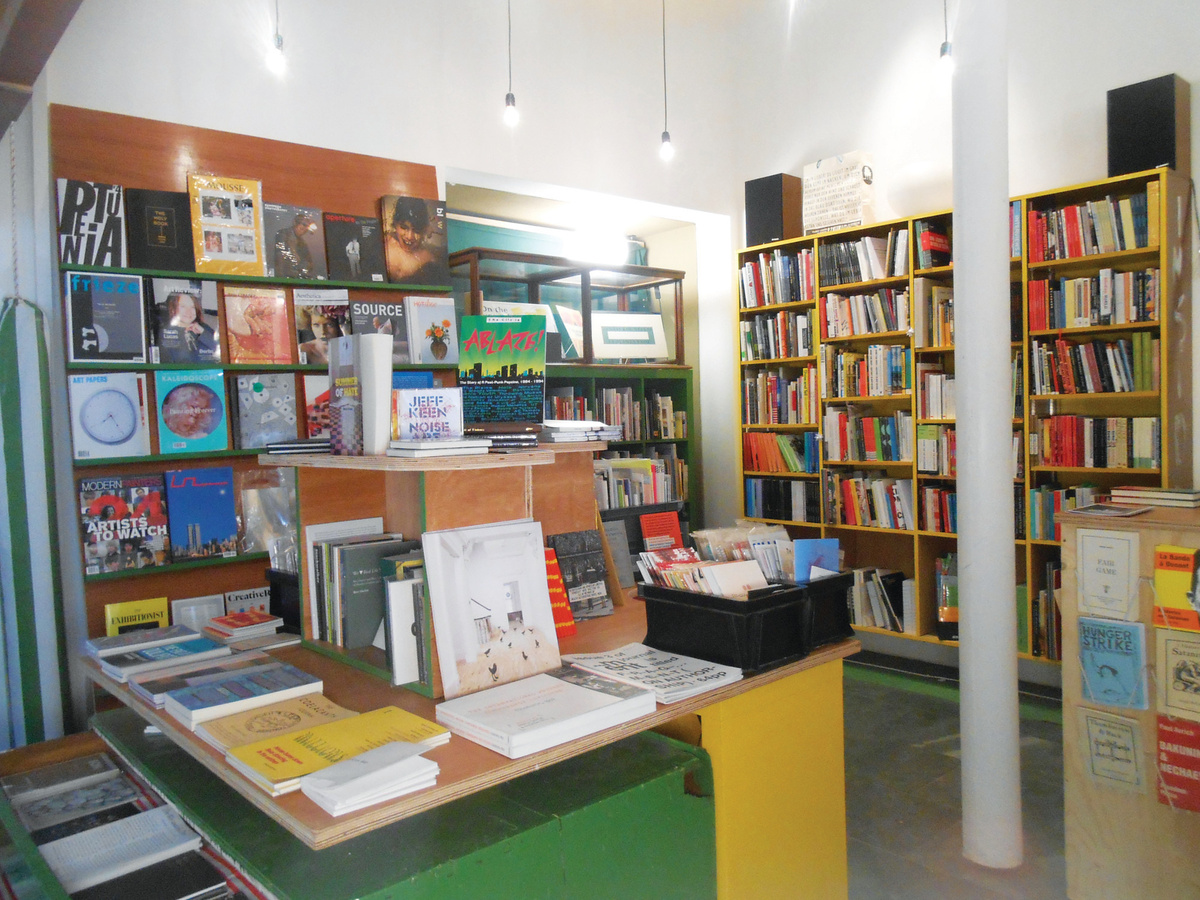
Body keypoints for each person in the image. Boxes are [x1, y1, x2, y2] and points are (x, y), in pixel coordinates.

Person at [384, 197, 439, 284]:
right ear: (395, 224)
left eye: (416, 230)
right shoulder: (384, 247)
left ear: (424, 230)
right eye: (404, 227)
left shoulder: (428, 258)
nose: (409, 236)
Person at [163, 291, 218, 361]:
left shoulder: (203, 328)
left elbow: (222, 351)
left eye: (192, 307)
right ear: (173, 309)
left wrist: (203, 333)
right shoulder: (167, 332)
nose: (189, 311)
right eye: (183, 306)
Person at [273, 212, 317, 278]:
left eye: (307, 226)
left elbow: (309, 262)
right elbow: (280, 256)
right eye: (304, 224)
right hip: (285, 276)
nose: (305, 229)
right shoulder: (283, 234)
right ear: (295, 223)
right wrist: (280, 276)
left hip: (297, 276)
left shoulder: (303, 243)